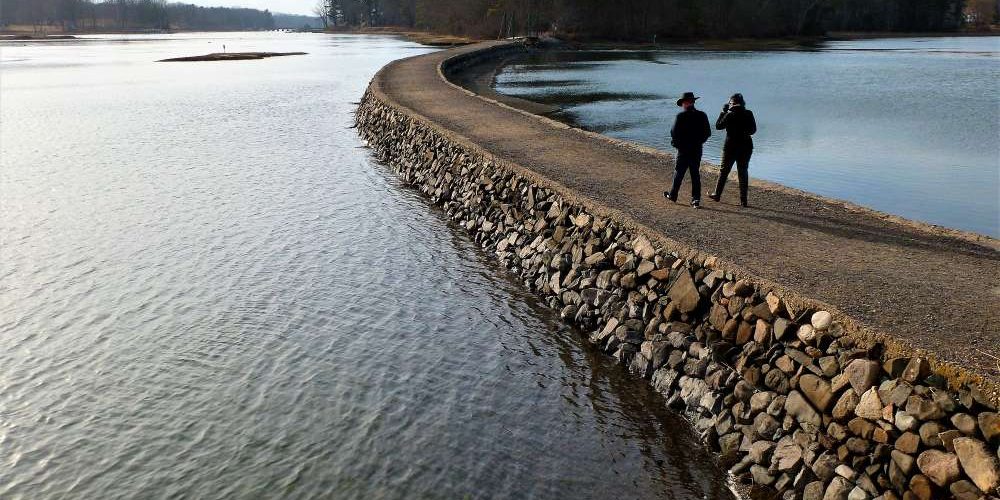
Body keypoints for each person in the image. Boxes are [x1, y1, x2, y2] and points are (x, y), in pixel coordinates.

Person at [664, 92, 711, 208]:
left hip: (683, 150)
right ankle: (696, 200)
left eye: (682, 103)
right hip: (697, 149)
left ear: (685, 103)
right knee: (695, 174)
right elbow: (708, 133)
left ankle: (673, 196)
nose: (682, 105)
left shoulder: (680, 117)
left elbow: (673, 133)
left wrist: (677, 145)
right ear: (693, 102)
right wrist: (699, 142)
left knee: (679, 173)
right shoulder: (702, 115)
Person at [709, 93, 757, 207]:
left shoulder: (729, 115)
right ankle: (743, 201)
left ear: (732, 103)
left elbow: (718, 126)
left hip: (730, 147)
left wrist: (722, 112)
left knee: (724, 171)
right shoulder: (748, 113)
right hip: (746, 147)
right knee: (743, 172)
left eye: (729, 103)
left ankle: (717, 195)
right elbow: (753, 130)